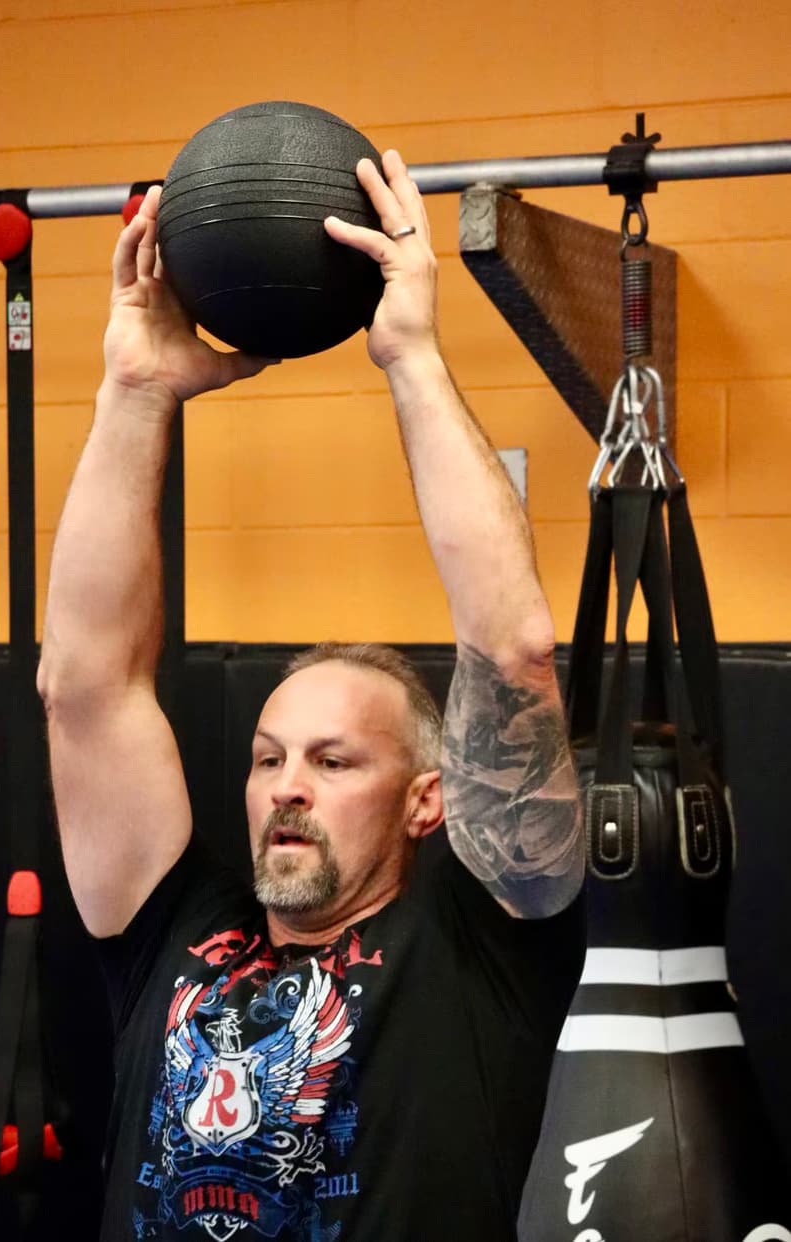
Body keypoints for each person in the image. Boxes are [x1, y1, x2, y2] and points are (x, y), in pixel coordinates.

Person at [37, 149, 585, 1242]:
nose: (288, 786)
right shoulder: (174, 935)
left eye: (336, 762)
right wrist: (135, 388)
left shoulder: (480, 947)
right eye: (270, 756)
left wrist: (413, 356)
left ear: (429, 800)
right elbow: (83, 686)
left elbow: (512, 649)